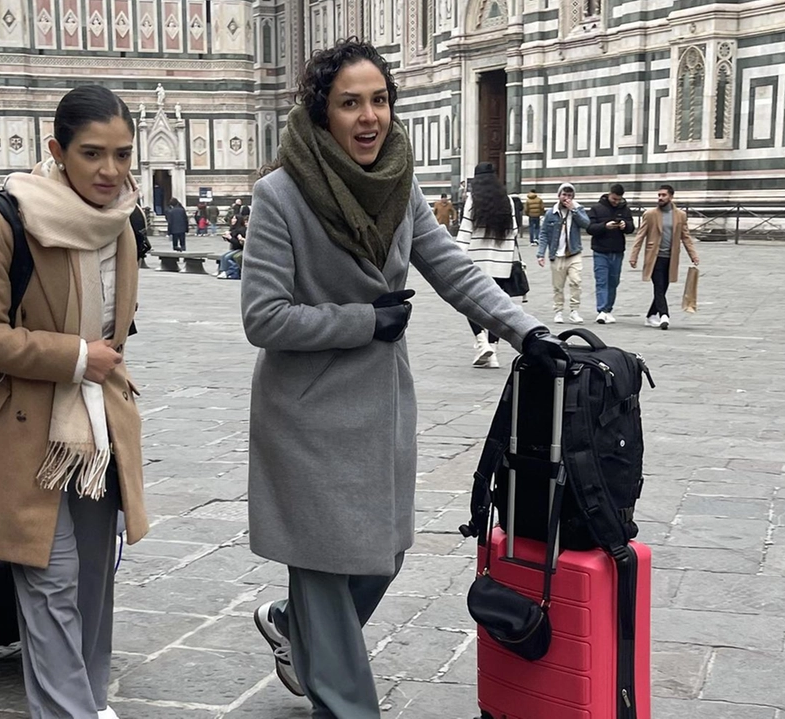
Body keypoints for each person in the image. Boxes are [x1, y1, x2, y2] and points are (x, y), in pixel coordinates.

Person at [241, 38, 566, 718]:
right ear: (322, 112)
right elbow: (264, 318)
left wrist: (526, 331)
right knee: (328, 572)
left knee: (381, 557)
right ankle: (340, 689)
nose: (368, 117)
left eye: (379, 100)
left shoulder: (400, 184)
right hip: (306, 419)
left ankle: (296, 627)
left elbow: (453, 268)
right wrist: (363, 320)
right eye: (349, 103)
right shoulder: (280, 194)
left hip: (380, 411)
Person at [0, 84, 146, 719]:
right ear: (57, 151)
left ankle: (90, 698)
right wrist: (76, 357)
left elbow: (117, 325)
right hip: (22, 431)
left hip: (93, 427)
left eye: (122, 154)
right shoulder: (2, 220)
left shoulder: (121, 223)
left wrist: (97, 363)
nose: (110, 171)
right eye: (92, 154)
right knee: (50, 579)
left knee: (93, 579)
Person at [455, 163, 520, 369]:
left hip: (477, 263)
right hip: (502, 265)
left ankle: (482, 342)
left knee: (471, 304)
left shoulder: (473, 200)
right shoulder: (507, 200)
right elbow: (514, 231)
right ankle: (493, 350)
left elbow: (465, 230)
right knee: (497, 307)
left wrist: (457, 257)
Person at [631, 184, 699, 330]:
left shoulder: (680, 215)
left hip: (671, 258)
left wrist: (693, 255)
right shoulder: (650, 214)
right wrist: (634, 256)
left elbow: (685, 237)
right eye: (659, 195)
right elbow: (640, 236)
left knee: (663, 287)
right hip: (654, 257)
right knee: (659, 286)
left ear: (671, 196)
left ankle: (650, 316)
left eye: (663, 195)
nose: (660, 198)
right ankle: (664, 315)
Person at [537, 182, 589, 325]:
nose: (567, 198)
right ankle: (558, 311)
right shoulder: (551, 213)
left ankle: (574, 311)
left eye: (570, 195)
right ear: (559, 195)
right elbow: (544, 234)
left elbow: (586, 224)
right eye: (564, 195)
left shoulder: (578, 209)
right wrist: (540, 254)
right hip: (557, 254)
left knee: (576, 281)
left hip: (574, 253)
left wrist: (574, 210)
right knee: (558, 286)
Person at [587, 183, 634, 324]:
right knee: (602, 280)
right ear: (609, 194)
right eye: (614, 199)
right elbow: (589, 227)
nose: (616, 202)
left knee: (613, 281)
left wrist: (625, 225)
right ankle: (601, 310)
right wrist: (604, 226)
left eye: (618, 199)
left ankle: (608, 309)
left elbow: (631, 227)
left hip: (617, 250)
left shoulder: (625, 209)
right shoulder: (596, 208)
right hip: (600, 250)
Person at [218, 214, 245, 279]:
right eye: (232, 218)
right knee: (223, 256)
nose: (233, 220)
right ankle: (222, 271)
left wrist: (230, 238)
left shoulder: (242, 230)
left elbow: (238, 243)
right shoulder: (233, 228)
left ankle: (226, 272)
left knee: (227, 257)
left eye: (235, 219)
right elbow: (232, 241)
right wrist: (226, 237)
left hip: (240, 249)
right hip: (234, 248)